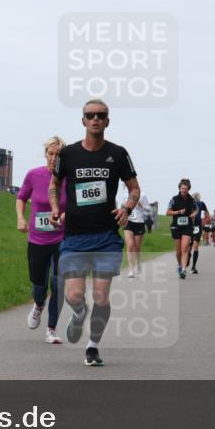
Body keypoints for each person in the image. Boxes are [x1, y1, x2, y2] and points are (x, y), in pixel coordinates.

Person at [50, 98, 140, 367]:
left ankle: (93, 346)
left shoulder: (119, 153)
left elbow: (134, 188)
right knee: (74, 296)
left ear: (107, 120)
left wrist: (126, 207)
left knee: (101, 296)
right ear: (83, 120)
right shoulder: (68, 155)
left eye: (101, 115)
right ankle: (79, 314)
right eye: (90, 115)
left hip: (106, 237)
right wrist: (55, 207)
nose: (96, 119)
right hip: (75, 236)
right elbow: (54, 183)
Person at [16, 136, 66, 344]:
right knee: (39, 285)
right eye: (51, 154)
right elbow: (21, 197)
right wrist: (20, 217)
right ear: (45, 154)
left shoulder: (68, 178)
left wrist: (64, 216)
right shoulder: (33, 175)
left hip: (62, 238)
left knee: (57, 283)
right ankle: (38, 305)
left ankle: (51, 329)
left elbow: (75, 205)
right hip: (37, 240)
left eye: (58, 155)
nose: (54, 158)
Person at [167, 179, 197, 279]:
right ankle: (180, 265)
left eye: (186, 188)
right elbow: (168, 212)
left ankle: (184, 270)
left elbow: (196, 210)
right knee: (178, 251)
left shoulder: (191, 200)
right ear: (179, 188)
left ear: (188, 189)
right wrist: (178, 212)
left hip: (187, 226)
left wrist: (193, 214)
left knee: (184, 248)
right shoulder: (174, 199)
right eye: (182, 188)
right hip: (176, 226)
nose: (184, 190)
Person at [125, 194, 152, 278]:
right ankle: (131, 270)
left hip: (139, 223)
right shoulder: (125, 195)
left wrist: (141, 205)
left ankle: (138, 263)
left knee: (137, 248)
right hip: (128, 223)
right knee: (130, 246)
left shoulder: (142, 195)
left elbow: (149, 209)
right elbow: (123, 208)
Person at [188, 192, 209, 273]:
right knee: (189, 246)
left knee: (195, 245)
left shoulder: (201, 204)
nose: (195, 198)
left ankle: (193, 267)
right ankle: (187, 260)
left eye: (197, 197)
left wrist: (205, 220)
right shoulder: (188, 203)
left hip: (198, 226)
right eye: (194, 197)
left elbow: (207, 213)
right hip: (189, 226)